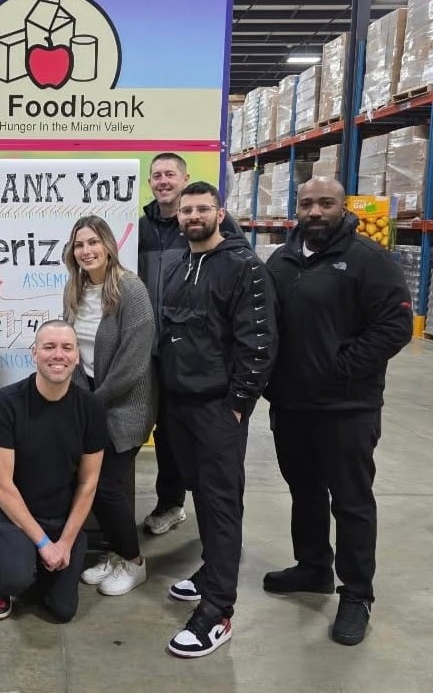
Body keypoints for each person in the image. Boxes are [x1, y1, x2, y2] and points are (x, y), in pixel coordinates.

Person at [263, 176, 413, 646]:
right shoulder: (282, 261)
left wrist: (341, 368)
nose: (315, 212)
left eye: (325, 203)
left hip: (348, 407)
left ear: (342, 207)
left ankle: (357, 594)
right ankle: (312, 568)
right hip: (291, 406)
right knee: (304, 491)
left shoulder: (370, 261)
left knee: (351, 501)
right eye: (307, 203)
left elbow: (395, 326)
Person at [157, 181, 277, 658]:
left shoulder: (244, 267)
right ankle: (212, 569)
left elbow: (259, 343)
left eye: (202, 208)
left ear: (219, 213)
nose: (193, 216)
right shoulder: (180, 264)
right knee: (202, 494)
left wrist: (237, 404)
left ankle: (218, 611)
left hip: (216, 409)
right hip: (180, 406)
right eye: (186, 210)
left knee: (222, 502)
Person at [138, 153, 245, 536]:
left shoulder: (214, 227)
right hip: (153, 348)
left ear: (185, 178)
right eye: (157, 175)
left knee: (202, 444)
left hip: (198, 353)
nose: (164, 181)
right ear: (150, 183)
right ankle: (170, 502)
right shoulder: (141, 227)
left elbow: (239, 279)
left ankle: (202, 519)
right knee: (166, 432)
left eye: (171, 174)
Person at [0, 321, 106, 622]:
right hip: (15, 515)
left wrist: (63, 543)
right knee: (15, 579)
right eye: (49, 347)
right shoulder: (5, 404)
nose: (58, 355)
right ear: (34, 353)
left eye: (66, 348)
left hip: (61, 518)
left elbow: (89, 482)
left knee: (62, 610)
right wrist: (43, 543)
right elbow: (0, 485)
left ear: (77, 357)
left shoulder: (90, 407)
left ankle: (42, 561)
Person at [61, 216, 155, 596]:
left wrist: (91, 404)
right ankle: (117, 554)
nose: (86, 250)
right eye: (80, 244)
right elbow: (71, 350)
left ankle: (134, 562)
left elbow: (134, 364)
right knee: (89, 483)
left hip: (127, 406)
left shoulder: (130, 290)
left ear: (108, 246)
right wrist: (82, 399)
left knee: (106, 486)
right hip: (92, 402)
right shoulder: (75, 290)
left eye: (93, 242)